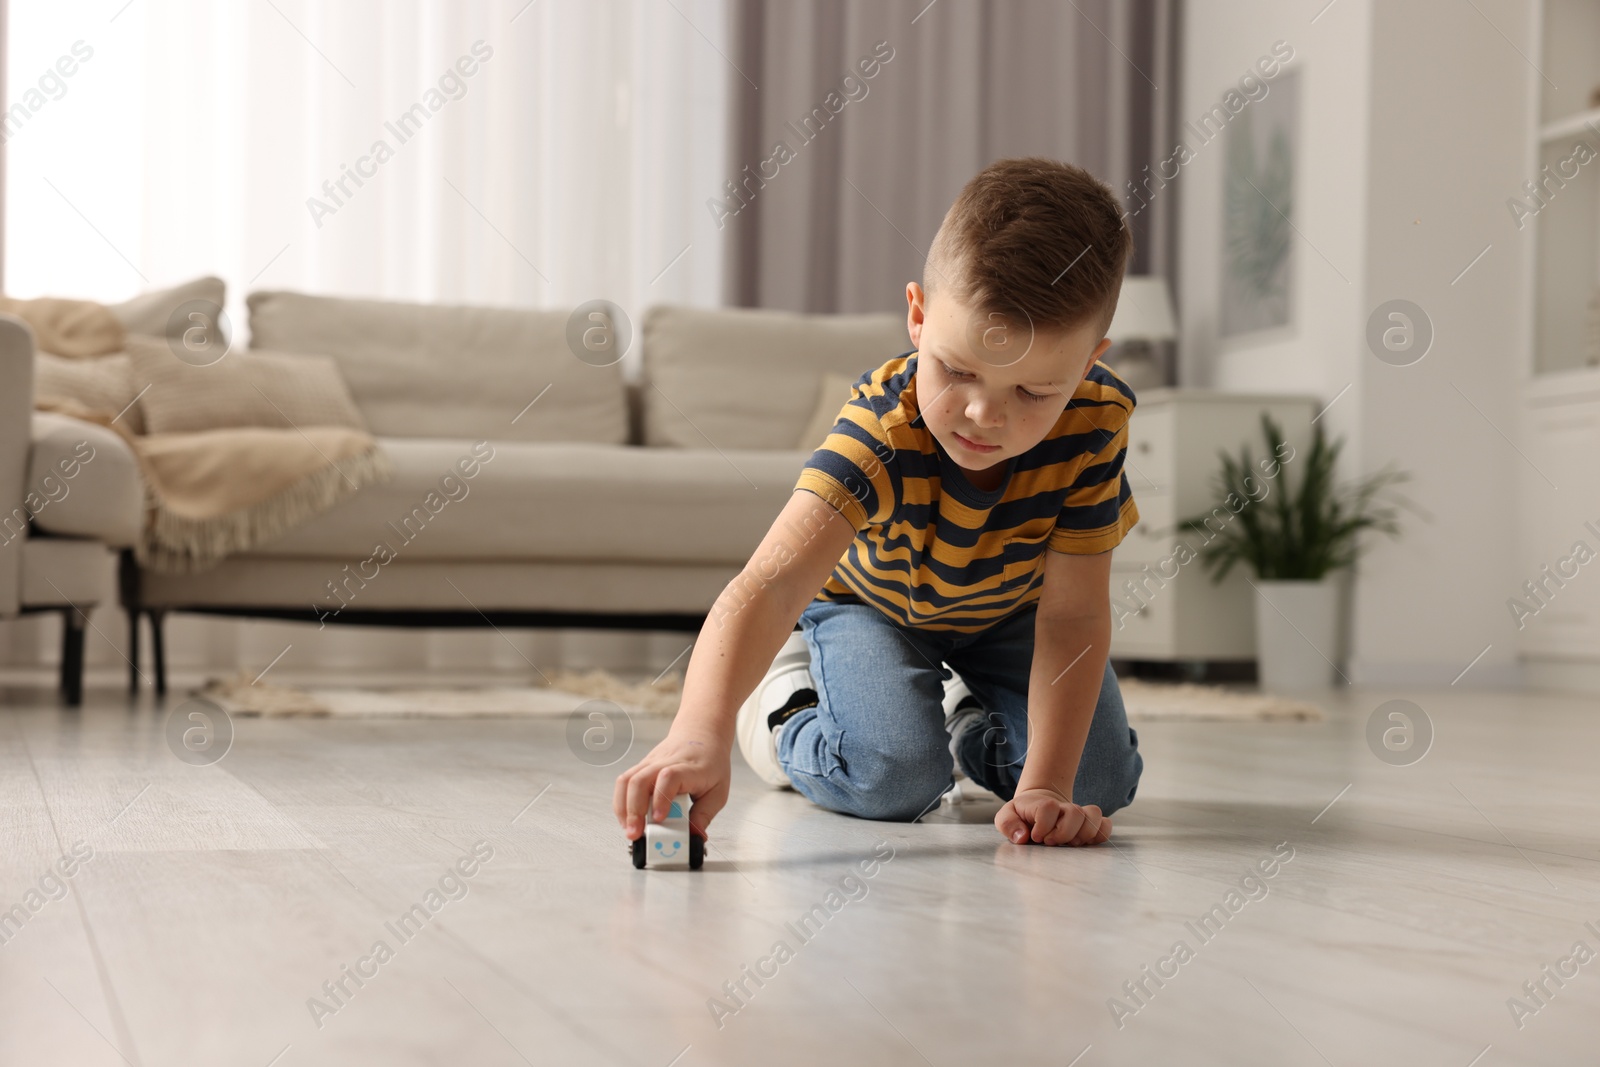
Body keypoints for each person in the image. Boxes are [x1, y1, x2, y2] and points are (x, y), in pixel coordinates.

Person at [613, 156, 1144, 848]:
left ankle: (965, 721)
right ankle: (784, 711)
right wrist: (695, 733)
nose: (984, 413)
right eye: (958, 371)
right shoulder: (881, 430)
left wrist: (1043, 785)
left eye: (1035, 392)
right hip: (872, 608)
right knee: (892, 778)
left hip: (1010, 612)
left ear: (1088, 363)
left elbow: (1072, 617)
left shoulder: (1096, 422)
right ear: (919, 317)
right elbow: (770, 585)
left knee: (1098, 781)